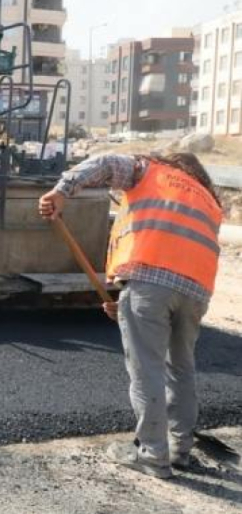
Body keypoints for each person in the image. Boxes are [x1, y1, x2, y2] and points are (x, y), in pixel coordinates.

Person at [39, 153, 222, 479]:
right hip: (196, 293)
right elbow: (178, 248)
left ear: (172, 162)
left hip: (150, 282)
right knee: (181, 368)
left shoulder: (149, 171)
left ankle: (152, 454)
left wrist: (62, 191)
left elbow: (107, 163)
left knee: (146, 368)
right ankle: (180, 450)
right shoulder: (208, 199)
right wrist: (126, 303)